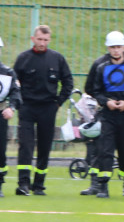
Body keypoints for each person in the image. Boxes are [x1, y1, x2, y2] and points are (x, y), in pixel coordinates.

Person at [83, 31, 124, 199]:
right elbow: (93, 89)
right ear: (108, 48)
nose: (116, 50)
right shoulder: (100, 65)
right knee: (106, 150)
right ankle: (103, 186)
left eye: (119, 47)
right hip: (108, 115)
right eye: (112, 47)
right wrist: (105, 101)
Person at [13, 25, 74, 196]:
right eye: (39, 39)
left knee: (45, 146)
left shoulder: (57, 59)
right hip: (27, 107)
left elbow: (68, 82)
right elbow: (14, 83)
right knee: (25, 145)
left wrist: (58, 103)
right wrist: (19, 103)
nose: (42, 43)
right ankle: (23, 183)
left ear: (49, 40)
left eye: (45, 40)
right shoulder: (23, 58)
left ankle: (39, 185)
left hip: (48, 107)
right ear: (33, 38)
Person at [0, 36, 23, 198]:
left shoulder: (7, 73)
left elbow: (16, 93)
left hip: (0, 115)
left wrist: (11, 108)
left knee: (0, 151)